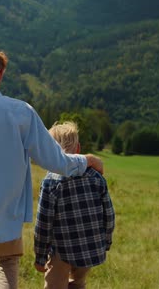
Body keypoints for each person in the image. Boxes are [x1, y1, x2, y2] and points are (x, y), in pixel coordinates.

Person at [0, 47, 104, 289]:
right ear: (0, 74)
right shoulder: (20, 112)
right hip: (7, 213)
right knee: (7, 263)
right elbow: (57, 161)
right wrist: (87, 160)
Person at [34, 121, 115, 289]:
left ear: (50, 151)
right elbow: (109, 214)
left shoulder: (51, 181)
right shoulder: (96, 177)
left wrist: (40, 257)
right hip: (90, 248)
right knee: (78, 283)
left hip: (62, 251)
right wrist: (105, 242)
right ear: (78, 149)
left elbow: (43, 223)